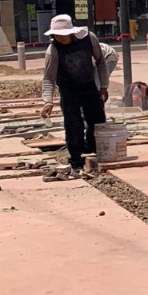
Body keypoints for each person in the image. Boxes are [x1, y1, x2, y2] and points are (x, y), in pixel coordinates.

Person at [39, 15, 110, 176]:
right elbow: (48, 78)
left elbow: (100, 62)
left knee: (97, 119)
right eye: (57, 35)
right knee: (73, 124)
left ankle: (94, 149)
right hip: (68, 90)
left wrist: (104, 86)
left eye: (63, 35)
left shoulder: (89, 39)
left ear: (71, 33)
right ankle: (76, 159)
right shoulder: (53, 51)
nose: (60, 38)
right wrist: (47, 101)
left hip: (89, 85)